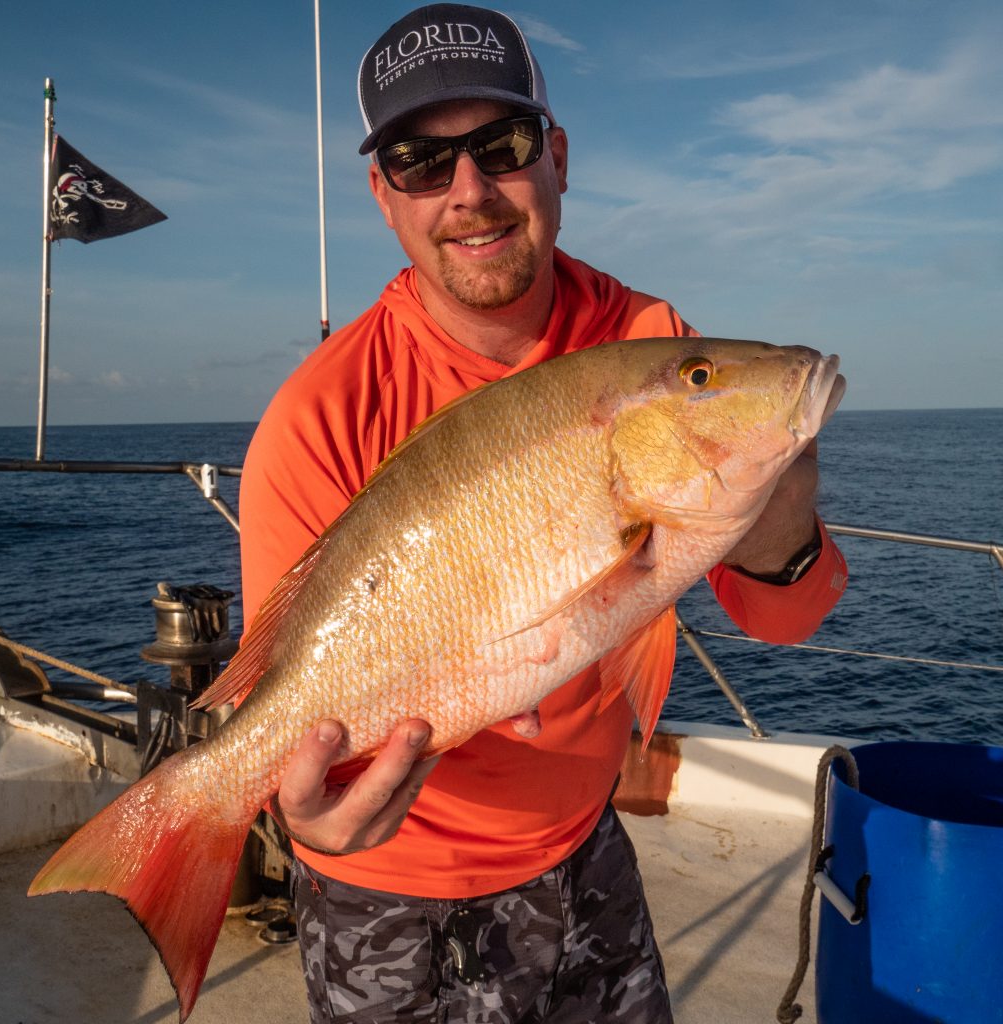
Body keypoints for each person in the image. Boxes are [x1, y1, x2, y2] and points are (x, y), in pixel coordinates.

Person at [239, 5, 848, 1022]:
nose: (469, 192)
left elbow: (785, 617)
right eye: (421, 163)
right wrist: (302, 815)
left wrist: (780, 501)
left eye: (502, 146)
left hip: (583, 846)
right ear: (384, 195)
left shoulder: (649, 340)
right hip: (389, 881)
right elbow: (290, 704)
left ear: (556, 157)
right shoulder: (318, 418)